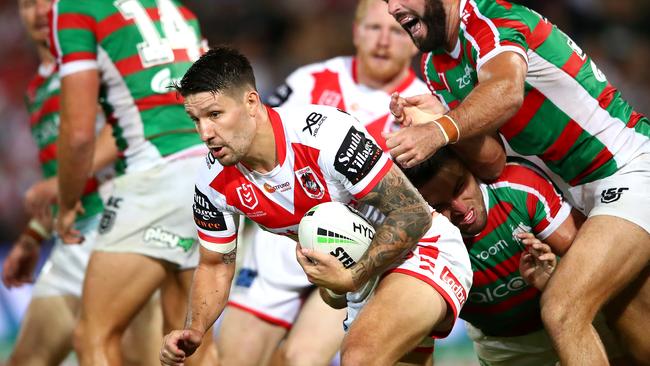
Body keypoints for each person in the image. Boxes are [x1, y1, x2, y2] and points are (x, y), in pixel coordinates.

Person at [159, 46, 473, 366]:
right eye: (195, 120)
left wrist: (352, 277)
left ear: (251, 102)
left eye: (214, 115)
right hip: (361, 279)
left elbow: (412, 212)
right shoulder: (212, 182)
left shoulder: (324, 133)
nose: (205, 133)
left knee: (358, 358)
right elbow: (215, 264)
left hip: (420, 250)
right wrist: (195, 328)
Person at [383, 0, 650, 364]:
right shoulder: (437, 66)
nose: (392, 8)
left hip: (628, 166)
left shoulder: (492, 19)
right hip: (584, 193)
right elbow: (492, 163)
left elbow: (507, 91)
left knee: (563, 309)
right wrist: (443, 117)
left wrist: (439, 130)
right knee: (627, 323)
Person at [218, 1, 430, 365]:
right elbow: (254, 141)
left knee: (301, 359)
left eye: (396, 31)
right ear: (355, 31)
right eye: (373, 28)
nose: (383, 41)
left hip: (354, 248)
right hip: (282, 244)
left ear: (414, 41)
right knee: (232, 359)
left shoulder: (423, 108)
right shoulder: (310, 81)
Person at [49, 0, 217, 364]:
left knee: (94, 334)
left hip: (157, 171)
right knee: (191, 341)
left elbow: (78, 134)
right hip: (209, 171)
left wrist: (66, 203)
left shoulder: (77, 8)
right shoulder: (177, 10)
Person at [2, 0, 162, 365]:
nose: (39, 12)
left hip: (122, 227)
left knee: (140, 358)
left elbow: (126, 126)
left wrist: (60, 182)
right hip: (73, 244)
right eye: (28, 4)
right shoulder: (36, 89)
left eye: (49, 2)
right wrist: (33, 237)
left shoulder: (94, 62)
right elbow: (59, 184)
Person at [403, 149, 633, 366]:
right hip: (506, 345)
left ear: (471, 168)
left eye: (459, 187)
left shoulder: (518, 186)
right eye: (440, 206)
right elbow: (417, 341)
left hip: (577, 313)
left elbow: (600, 266)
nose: (460, 208)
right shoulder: (420, 242)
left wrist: (556, 284)